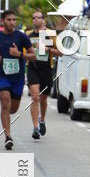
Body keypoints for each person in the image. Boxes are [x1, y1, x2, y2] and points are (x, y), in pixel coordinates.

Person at [0, 10, 35, 150]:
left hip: (17, 78)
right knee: (5, 103)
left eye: (14, 19)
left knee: (13, 109)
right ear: (3, 21)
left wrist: (19, 54)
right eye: (9, 20)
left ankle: (6, 118)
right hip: (2, 76)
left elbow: (33, 55)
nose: (12, 22)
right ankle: (7, 136)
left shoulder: (22, 37)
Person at [26, 9, 58, 140]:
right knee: (35, 97)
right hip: (32, 67)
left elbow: (60, 52)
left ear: (43, 19)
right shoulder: (28, 34)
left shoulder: (50, 35)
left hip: (46, 69)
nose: (35, 20)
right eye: (33, 18)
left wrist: (48, 49)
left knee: (43, 99)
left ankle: (42, 120)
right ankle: (35, 128)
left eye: (37, 17)